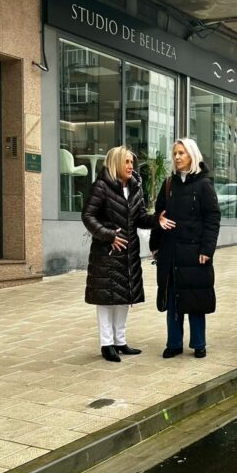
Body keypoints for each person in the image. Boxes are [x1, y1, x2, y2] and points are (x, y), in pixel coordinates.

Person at [82, 146, 158, 362]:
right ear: (116, 163)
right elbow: (88, 216)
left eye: (132, 162)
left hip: (128, 253)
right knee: (106, 299)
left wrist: (157, 220)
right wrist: (109, 236)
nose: (131, 166)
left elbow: (140, 218)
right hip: (106, 253)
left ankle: (120, 341)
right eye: (126, 162)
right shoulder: (101, 186)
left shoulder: (135, 187)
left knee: (124, 297)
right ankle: (107, 344)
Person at [153, 138, 221, 359]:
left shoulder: (204, 185)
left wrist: (207, 250)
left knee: (195, 298)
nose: (177, 157)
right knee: (173, 299)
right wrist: (155, 245)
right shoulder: (168, 184)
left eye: (181, 153)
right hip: (171, 251)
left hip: (194, 253)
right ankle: (174, 344)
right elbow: (159, 215)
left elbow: (212, 219)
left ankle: (199, 343)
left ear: (192, 155)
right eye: (175, 153)